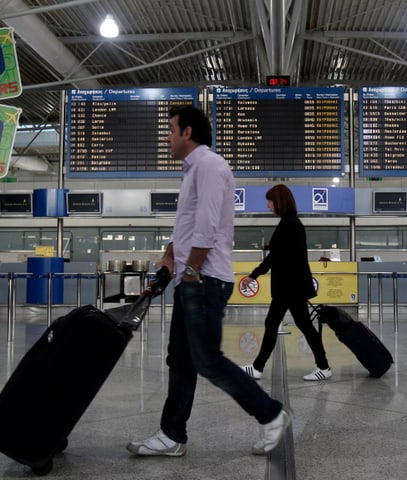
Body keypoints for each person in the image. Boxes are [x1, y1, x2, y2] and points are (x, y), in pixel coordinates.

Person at [126, 106, 291, 457]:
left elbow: (207, 225)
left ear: (188, 132)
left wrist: (191, 270)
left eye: (171, 129)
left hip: (204, 280)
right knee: (181, 360)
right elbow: (186, 225)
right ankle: (172, 435)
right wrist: (171, 256)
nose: (167, 137)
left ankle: (271, 413)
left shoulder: (210, 164)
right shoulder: (192, 172)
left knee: (207, 360)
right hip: (192, 278)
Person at [240, 184, 331, 382]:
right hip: (291, 286)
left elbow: (274, 257)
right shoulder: (290, 223)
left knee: (280, 323)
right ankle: (322, 366)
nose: (268, 205)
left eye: (270, 201)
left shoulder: (289, 224)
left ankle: (258, 367)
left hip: (290, 287)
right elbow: (278, 256)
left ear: (279, 202)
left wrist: (253, 275)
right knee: (299, 324)